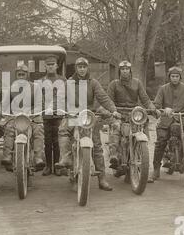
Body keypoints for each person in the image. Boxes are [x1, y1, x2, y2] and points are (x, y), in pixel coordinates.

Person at [55, 57, 120, 191]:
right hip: (73, 116)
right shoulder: (69, 82)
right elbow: (60, 98)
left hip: (89, 117)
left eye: (84, 66)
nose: (82, 69)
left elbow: (103, 97)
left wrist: (113, 110)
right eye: (79, 67)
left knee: (97, 146)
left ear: (87, 68)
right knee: (63, 130)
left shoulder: (93, 83)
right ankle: (67, 162)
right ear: (76, 68)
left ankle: (102, 179)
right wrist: (57, 108)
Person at [148, 66, 184, 183]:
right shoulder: (163, 89)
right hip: (166, 120)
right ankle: (156, 169)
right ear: (169, 77)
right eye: (172, 76)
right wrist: (163, 109)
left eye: (177, 76)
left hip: (182, 119)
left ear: (180, 77)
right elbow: (156, 104)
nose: (174, 78)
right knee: (161, 141)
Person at [107, 60, 158, 177]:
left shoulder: (137, 83)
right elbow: (108, 101)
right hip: (118, 114)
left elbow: (145, 99)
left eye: (127, 69)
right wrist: (113, 111)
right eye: (122, 69)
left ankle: (142, 164)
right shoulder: (113, 84)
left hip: (133, 114)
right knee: (116, 126)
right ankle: (114, 155)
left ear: (130, 71)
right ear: (119, 71)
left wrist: (153, 108)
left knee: (142, 126)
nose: (125, 71)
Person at [1, 64, 45, 172]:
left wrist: (31, 112)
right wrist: (6, 113)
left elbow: (40, 104)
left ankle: (38, 157)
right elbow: (4, 104)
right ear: (16, 76)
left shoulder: (35, 87)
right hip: (16, 117)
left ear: (27, 75)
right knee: (9, 129)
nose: (21, 77)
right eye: (19, 75)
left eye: (23, 74)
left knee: (38, 131)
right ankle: (8, 156)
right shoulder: (10, 88)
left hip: (32, 117)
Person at [40, 55, 66, 176]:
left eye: (52, 64)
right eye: (48, 65)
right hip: (46, 116)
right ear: (45, 66)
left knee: (57, 141)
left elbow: (64, 97)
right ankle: (48, 166)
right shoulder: (41, 81)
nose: (50, 67)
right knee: (47, 141)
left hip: (58, 115)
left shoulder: (62, 80)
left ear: (56, 66)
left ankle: (57, 166)